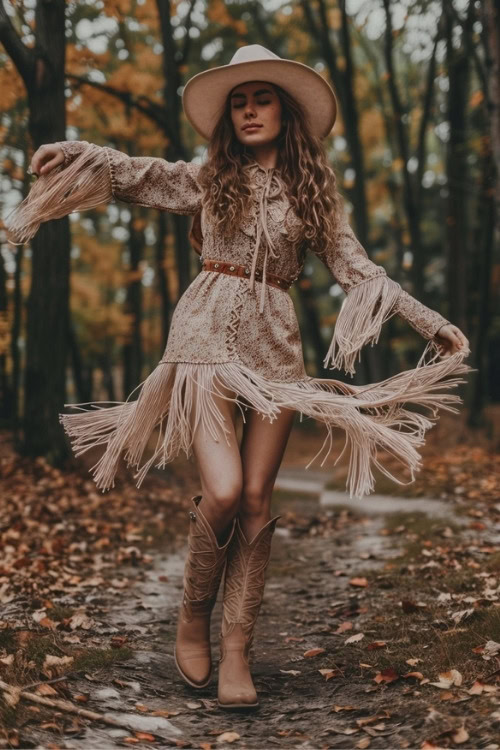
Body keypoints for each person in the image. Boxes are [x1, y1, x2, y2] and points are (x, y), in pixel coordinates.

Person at [5, 44, 470, 709]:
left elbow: (359, 272)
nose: (250, 111)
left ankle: (235, 653)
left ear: (286, 111)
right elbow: (136, 173)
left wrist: (430, 322)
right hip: (204, 340)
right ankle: (192, 614)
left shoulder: (313, 196)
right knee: (220, 491)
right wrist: (71, 149)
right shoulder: (206, 176)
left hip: (276, 355)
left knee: (255, 497)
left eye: (263, 99)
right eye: (240, 102)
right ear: (230, 118)